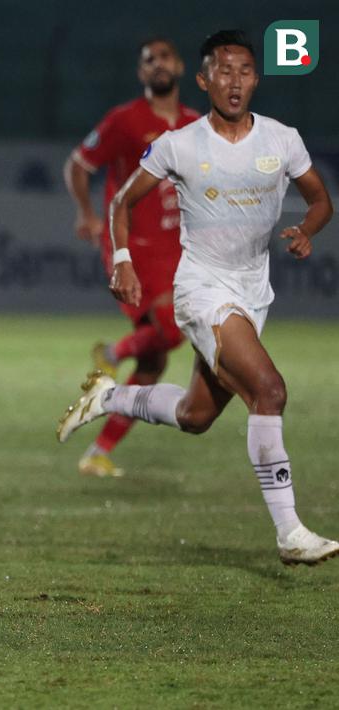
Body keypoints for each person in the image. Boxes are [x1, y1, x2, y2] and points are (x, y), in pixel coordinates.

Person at [57, 30, 337, 565]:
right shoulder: (180, 144)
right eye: (224, 72)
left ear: (257, 78)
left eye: (245, 71)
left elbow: (321, 199)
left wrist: (308, 230)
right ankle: (290, 532)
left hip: (253, 291)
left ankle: (107, 397)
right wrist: (121, 260)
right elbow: (119, 200)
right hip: (202, 289)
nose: (235, 81)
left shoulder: (282, 139)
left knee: (195, 416)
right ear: (205, 79)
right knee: (270, 390)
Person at [63, 39, 201, 477]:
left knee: (155, 361)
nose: (158, 65)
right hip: (131, 248)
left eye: (165, 57)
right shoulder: (125, 120)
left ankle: (99, 452)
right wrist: (86, 214)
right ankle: (112, 350)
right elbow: (79, 165)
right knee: (174, 328)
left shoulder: (195, 125)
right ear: (141, 74)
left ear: (180, 65)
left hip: (176, 250)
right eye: (149, 60)